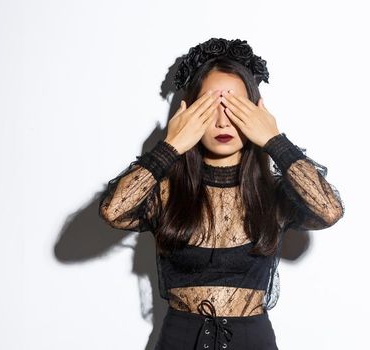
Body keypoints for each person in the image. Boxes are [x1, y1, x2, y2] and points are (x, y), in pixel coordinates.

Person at [99, 38, 345, 350]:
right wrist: (170, 145)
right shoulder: (165, 191)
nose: (222, 120)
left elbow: (329, 211)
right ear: (190, 112)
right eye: (211, 107)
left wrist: (274, 139)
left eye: (235, 107)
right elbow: (112, 211)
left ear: (256, 113)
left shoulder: (273, 193)